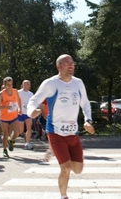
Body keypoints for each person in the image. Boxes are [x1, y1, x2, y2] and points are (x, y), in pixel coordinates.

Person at [27, 54, 95, 199]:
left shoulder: (78, 83)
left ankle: (52, 150)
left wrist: (88, 120)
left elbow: (85, 103)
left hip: (73, 132)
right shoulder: (51, 84)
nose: (71, 66)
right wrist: (31, 111)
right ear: (58, 66)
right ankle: (63, 196)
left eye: (72, 63)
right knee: (66, 168)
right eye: (66, 63)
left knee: (78, 169)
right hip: (55, 132)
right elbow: (33, 100)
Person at [0, 77, 22, 158]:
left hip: (14, 116)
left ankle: (11, 141)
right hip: (4, 117)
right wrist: (5, 107)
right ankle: (4, 150)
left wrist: (20, 109)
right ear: (4, 85)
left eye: (11, 85)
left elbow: (19, 99)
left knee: (17, 132)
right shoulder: (1, 94)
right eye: (8, 85)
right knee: (6, 134)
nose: (9, 86)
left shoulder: (15, 91)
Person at [18, 80, 34, 150]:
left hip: (28, 113)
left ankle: (27, 143)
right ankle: (14, 134)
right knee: (21, 130)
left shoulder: (31, 94)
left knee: (29, 127)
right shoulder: (18, 93)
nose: (29, 86)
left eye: (29, 84)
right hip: (20, 113)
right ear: (23, 85)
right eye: (27, 84)